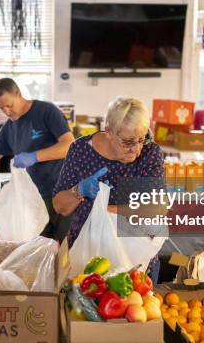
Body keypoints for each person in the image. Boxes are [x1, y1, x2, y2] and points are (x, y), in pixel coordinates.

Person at [52, 97, 165, 283]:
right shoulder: (81, 150)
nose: (135, 150)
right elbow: (59, 206)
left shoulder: (150, 152)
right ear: (109, 132)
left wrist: (104, 211)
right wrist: (78, 191)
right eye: (127, 142)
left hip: (135, 259)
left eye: (140, 140)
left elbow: (155, 210)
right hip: (88, 254)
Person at [0, 77, 75, 241]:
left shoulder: (46, 111)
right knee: (39, 248)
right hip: (33, 197)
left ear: (19, 94)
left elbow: (69, 145)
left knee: (66, 245)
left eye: (9, 105)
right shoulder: (9, 127)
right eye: (1, 108)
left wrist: (35, 156)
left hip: (61, 191)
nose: (6, 112)